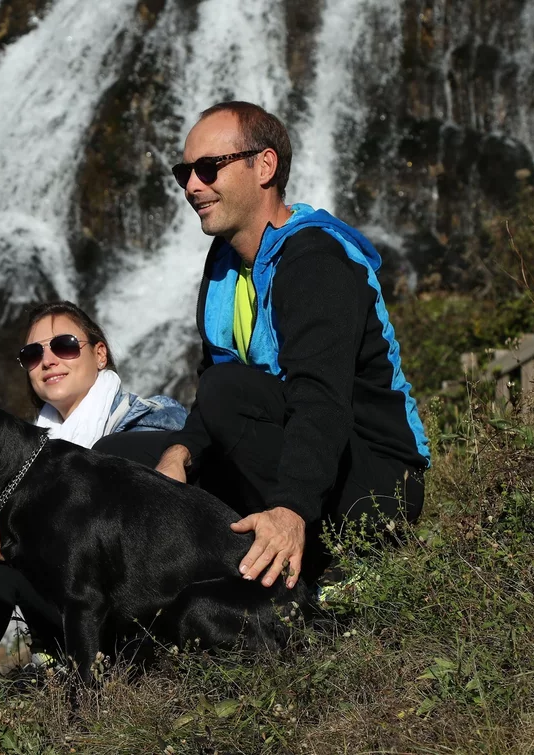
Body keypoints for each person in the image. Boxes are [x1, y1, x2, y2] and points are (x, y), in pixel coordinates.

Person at [99, 101, 430, 592]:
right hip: (286, 449)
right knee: (115, 454)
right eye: (183, 172)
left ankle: (327, 566)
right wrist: (180, 451)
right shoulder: (225, 265)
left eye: (209, 168)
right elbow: (210, 386)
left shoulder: (316, 260)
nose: (192, 185)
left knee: (229, 391)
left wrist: (292, 508)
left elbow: (320, 400)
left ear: (265, 166)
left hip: (375, 483)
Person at [0, 300, 186, 704]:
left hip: (143, 600)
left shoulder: (149, 417)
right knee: (4, 549)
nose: (48, 360)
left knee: (19, 538)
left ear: (99, 352)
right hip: (77, 608)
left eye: (65, 345)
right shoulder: (26, 445)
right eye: (32, 354)